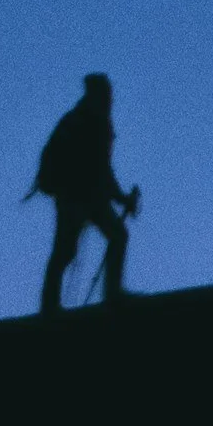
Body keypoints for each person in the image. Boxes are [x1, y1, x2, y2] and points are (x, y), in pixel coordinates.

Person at [27, 73, 141, 315]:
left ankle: (107, 294)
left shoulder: (84, 120)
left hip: (85, 196)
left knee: (110, 237)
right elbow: (100, 167)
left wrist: (118, 197)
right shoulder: (88, 121)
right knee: (69, 248)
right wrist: (120, 198)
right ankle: (56, 304)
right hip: (77, 196)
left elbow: (102, 169)